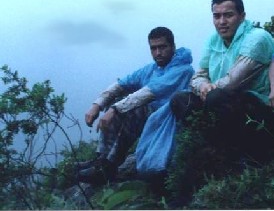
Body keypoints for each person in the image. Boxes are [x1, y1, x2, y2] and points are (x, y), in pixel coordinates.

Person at [77, 26, 194, 184]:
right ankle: (101, 158)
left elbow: (149, 92)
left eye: (163, 47)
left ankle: (108, 166)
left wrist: (114, 110)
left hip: (169, 121)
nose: (158, 53)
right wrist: (97, 105)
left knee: (131, 108)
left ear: (172, 47)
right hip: (152, 119)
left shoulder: (182, 69)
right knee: (116, 102)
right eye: (154, 48)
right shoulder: (152, 69)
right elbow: (121, 84)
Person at [170, 0, 274, 158]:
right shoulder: (214, 41)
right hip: (221, 99)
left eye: (228, 15)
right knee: (180, 100)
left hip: (257, 105)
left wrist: (207, 89)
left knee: (217, 97)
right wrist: (204, 86)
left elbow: (232, 83)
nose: (222, 22)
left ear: (242, 17)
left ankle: (239, 153)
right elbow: (198, 77)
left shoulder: (257, 38)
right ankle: (208, 147)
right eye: (217, 16)